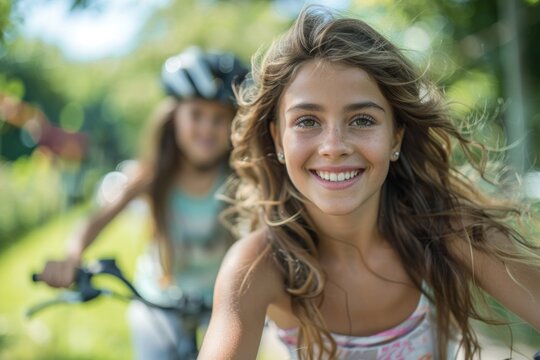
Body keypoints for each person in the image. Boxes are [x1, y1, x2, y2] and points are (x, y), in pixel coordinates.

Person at [198, 7, 540, 360]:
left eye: (362, 120)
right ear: (277, 138)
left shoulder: (447, 229)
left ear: (395, 137)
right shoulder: (258, 266)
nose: (334, 147)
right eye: (306, 121)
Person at [37, 46, 248, 359]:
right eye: (196, 115)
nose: (207, 128)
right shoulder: (149, 175)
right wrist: (71, 256)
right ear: (173, 117)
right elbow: (98, 218)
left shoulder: (240, 177)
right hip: (158, 302)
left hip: (219, 304)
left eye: (219, 118)